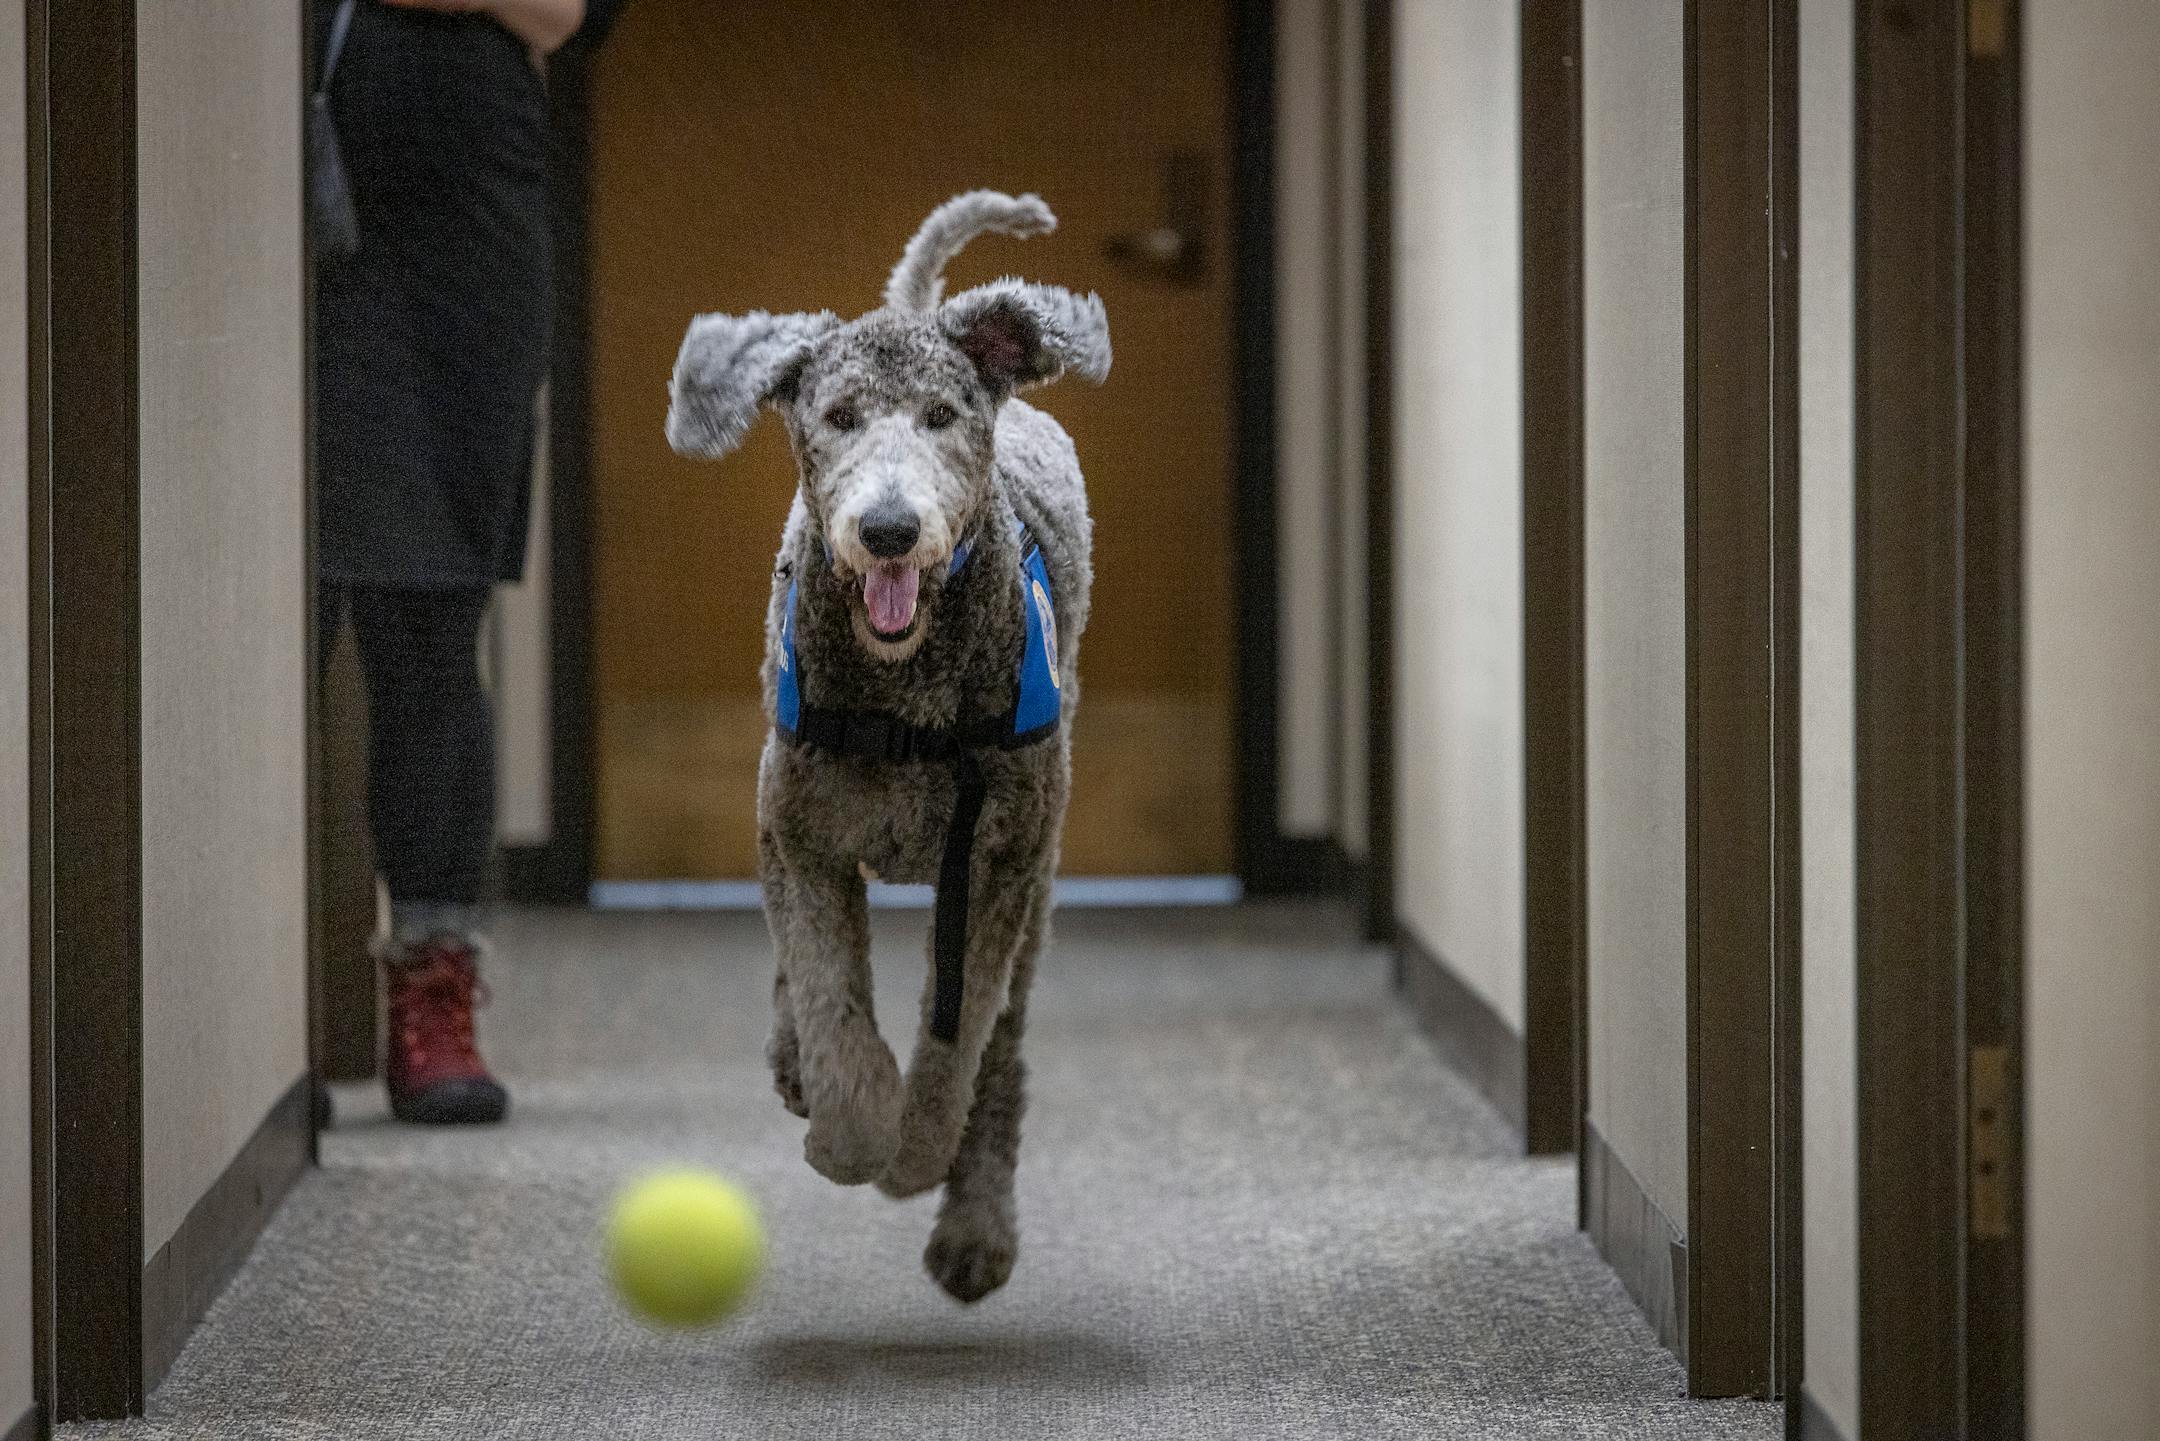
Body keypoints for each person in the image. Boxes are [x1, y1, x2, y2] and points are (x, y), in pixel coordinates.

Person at [314, 0, 620, 1124]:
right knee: (263, 625)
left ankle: (434, 988)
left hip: (461, 241)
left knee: (431, 624)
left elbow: (559, 9)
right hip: (264, 195)